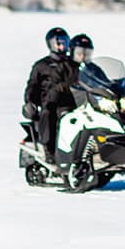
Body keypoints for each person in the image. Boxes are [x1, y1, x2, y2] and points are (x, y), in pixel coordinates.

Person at [23, 27, 80, 162]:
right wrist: (29, 101)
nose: (61, 46)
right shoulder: (42, 65)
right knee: (48, 113)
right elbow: (32, 85)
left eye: (64, 42)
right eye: (58, 43)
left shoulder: (73, 63)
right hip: (50, 102)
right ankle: (49, 150)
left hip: (73, 101)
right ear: (50, 44)